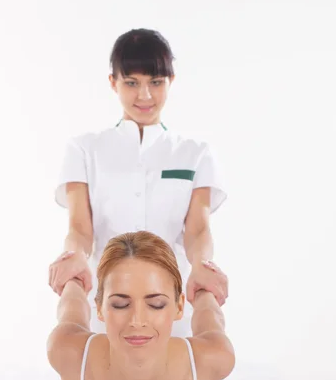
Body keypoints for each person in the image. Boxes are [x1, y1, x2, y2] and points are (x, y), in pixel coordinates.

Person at [50, 27, 229, 337]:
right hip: (107, 308)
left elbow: (198, 230)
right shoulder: (84, 150)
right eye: (131, 83)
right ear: (113, 82)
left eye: (155, 82)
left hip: (172, 307)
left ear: (170, 81)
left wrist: (204, 264)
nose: (144, 96)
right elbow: (80, 229)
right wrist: (74, 257)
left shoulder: (195, 154)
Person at [47, 231, 235, 380]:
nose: (137, 321)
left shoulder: (212, 359)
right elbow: (73, 304)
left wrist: (204, 280)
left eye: (155, 304)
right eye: (120, 304)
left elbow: (208, 314)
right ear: (99, 307)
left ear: (179, 307)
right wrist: (74, 274)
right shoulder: (68, 352)